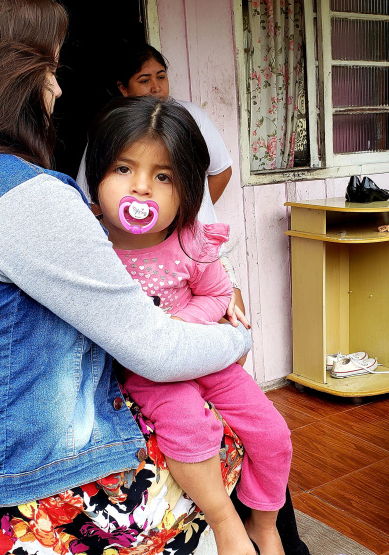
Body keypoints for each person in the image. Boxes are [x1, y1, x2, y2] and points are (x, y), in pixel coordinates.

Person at [0, 1, 306, 553]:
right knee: (238, 432)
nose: (56, 91)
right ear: (3, 78)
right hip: (43, 495)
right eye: (49, 70)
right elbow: (156, 349)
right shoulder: (17, 195)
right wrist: (238, 335)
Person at [84, 96, 291, 555]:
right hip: (147, 373)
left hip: (204, 357)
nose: (141, 188)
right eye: (123, 169)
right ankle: (225, 522)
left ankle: (265, 521)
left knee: (273, 434)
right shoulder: (89, 248)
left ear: (188, 189)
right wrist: (157, 342)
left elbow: (218, 295)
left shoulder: (191, 241)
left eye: (163, 176)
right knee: (190, 429)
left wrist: (178, 327)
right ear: (96, 173)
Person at [76, 42, 247, 324]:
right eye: (144, 80)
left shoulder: (190, 119)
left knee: (234, 333)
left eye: (161, 76)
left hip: (198, 260)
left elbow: (222, 171)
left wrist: (178, 214)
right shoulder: (109, 134)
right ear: (123, 87)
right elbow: (89, 202)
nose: (155, 87)